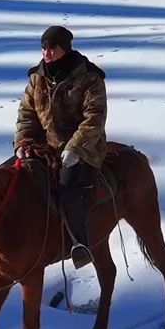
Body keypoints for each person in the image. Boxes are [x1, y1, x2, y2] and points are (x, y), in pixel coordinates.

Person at [15, 25, 107, 268]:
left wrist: (75, 148)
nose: (47, 53)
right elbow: (27, 114)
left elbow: (94, 117)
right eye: (44, 48)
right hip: (46, 147)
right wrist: (24, 141)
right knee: (15, 177)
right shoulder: (37, 77)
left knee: (68, 187)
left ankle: (79, 243)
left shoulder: (89, 77)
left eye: (52, 48)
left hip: (84, 148)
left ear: (64, 49)